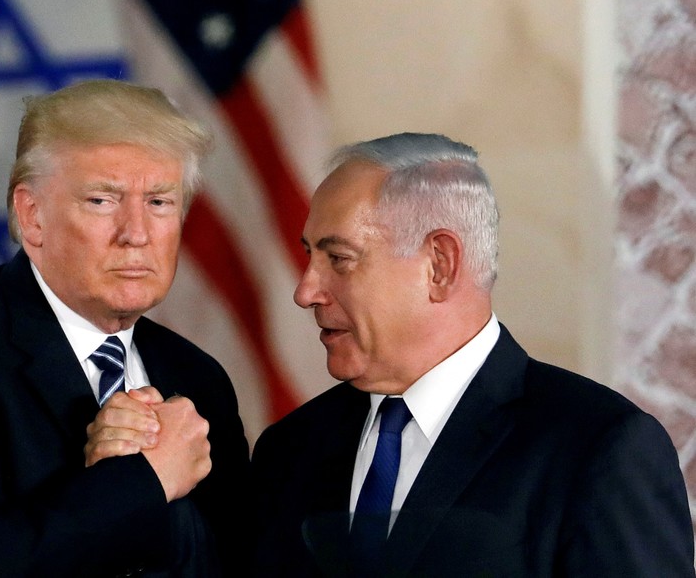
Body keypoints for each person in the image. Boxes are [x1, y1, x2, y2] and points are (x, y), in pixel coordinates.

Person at [0, 79, 250, 577]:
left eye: (159, 202)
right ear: (31, 216)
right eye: (103, 200)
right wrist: (140, 481)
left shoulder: (198, 378)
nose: (136, 234)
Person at [250, 132, 695, 577]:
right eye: (310, 257)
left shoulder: (599, 450)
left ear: (439, 265)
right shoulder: (288, 452)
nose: (305, 291)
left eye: (339, 259)